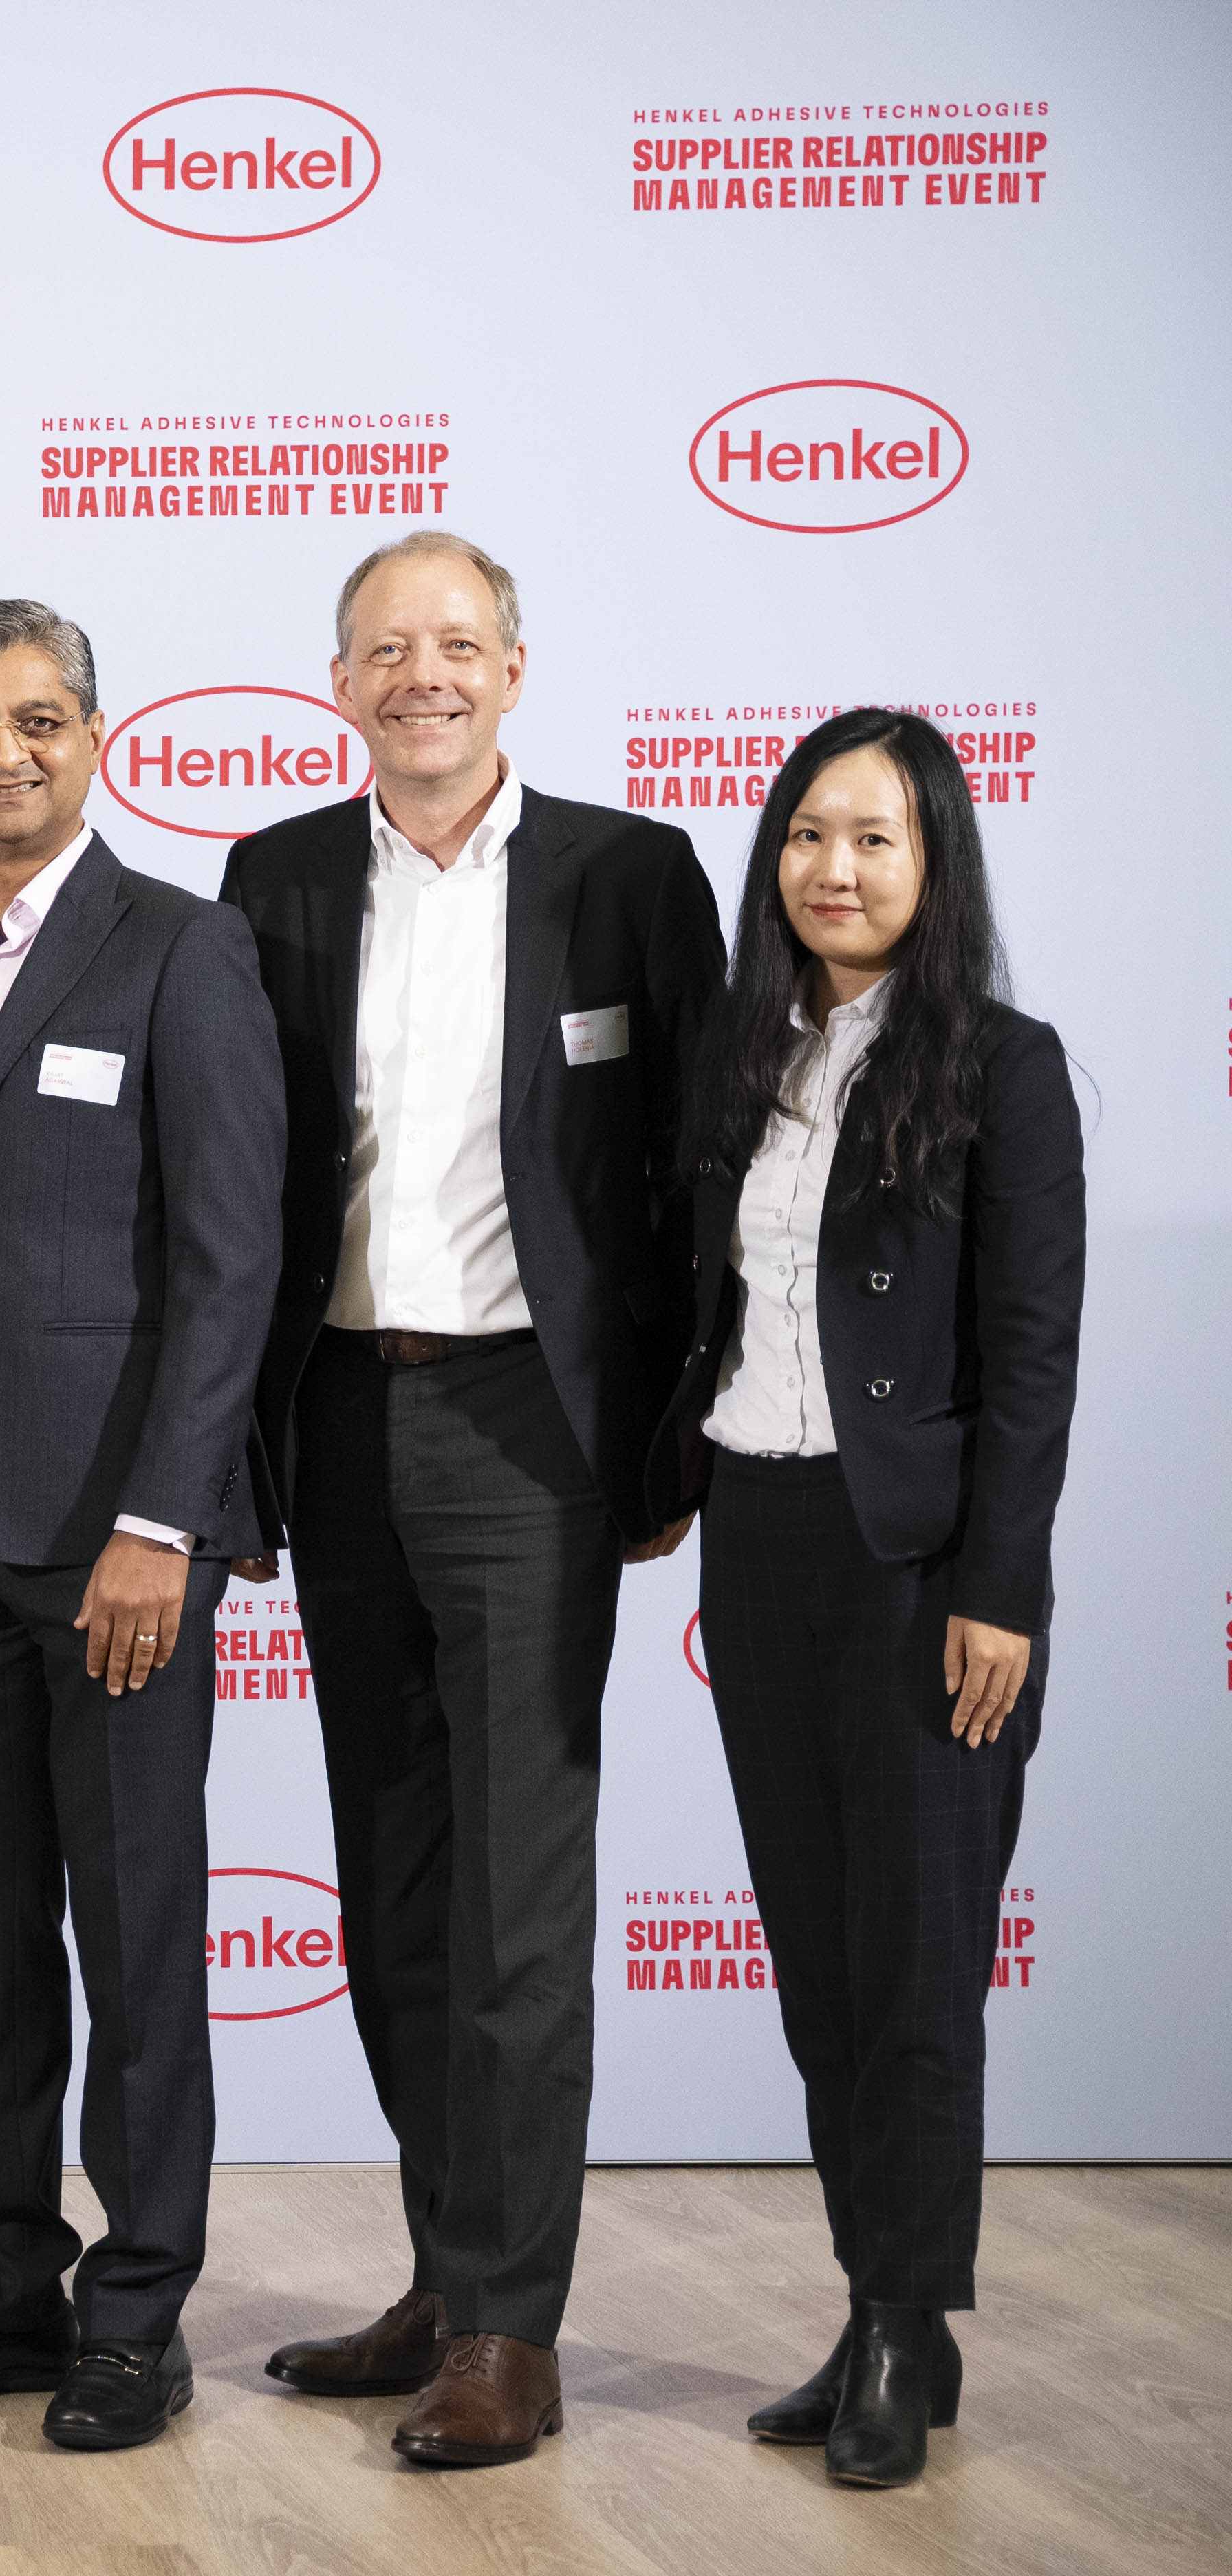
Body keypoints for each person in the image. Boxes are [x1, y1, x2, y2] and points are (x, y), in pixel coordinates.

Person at [219, 533, 724, 2466]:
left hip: (532, 1429)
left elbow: (695, 1168)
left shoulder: (630, 875)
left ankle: (514, 2326)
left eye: (456, 643)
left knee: (518, 1889)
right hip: (343, 1412)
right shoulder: (272, 879)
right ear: (339, 683)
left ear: (514, 669)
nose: (421, 675)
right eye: (385, 649)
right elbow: (244, 1176)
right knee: (396, 1880)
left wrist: (665, 1439)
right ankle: (448, 2271)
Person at [0, 602, 283, 2450]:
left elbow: (232, 1259)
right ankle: (4, 2287)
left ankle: (137, 2314)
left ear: (96, 734)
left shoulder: (185, 945)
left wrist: (167, 1519)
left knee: (140, 1937)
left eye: (33, 720)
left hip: (117, 1545)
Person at [645, 709, 1079, 2489]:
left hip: (921, 1574)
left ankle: (908, 2322)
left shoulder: (1004, 1065)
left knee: (913, 1973)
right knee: (821, 1968)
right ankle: (877, 2303)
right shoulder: (741, 1052)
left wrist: (1000, 1586)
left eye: (875, 839)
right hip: (759, 1538)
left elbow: (1032, 1360)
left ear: (934, 863)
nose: (834, 869)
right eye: (809, 835)